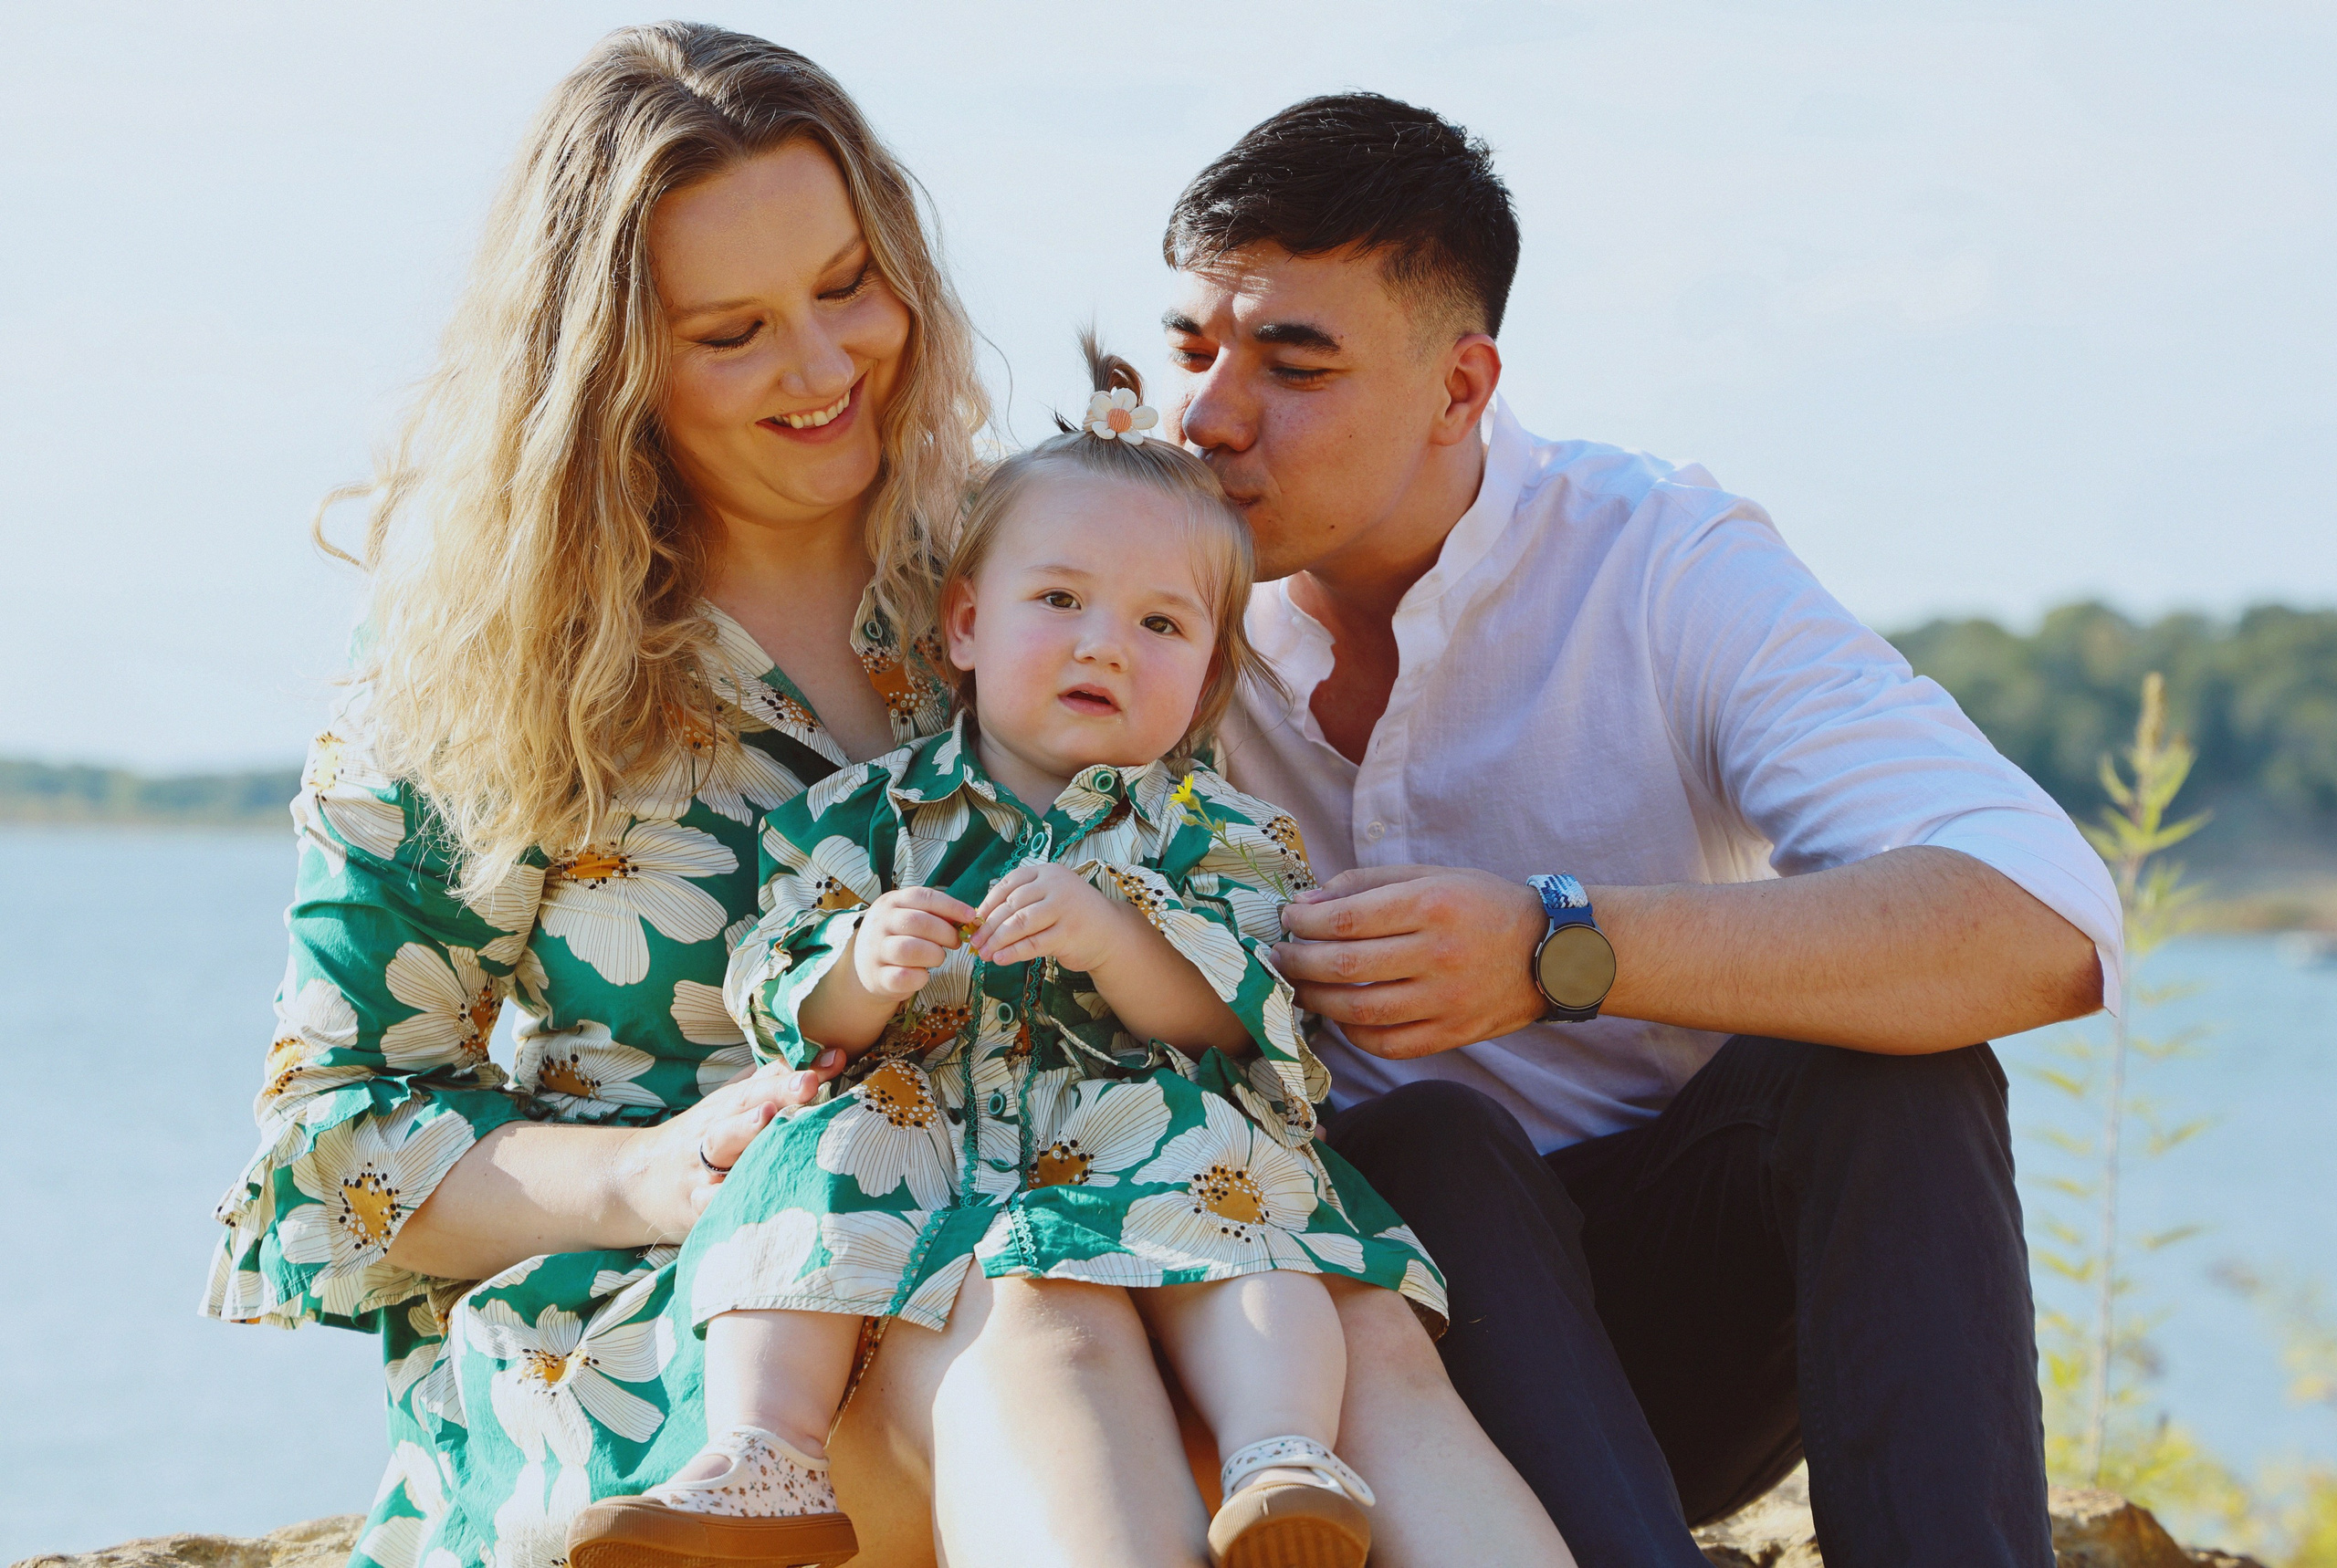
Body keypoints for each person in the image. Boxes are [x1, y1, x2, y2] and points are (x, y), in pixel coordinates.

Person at [203, 26, 1565, 1568]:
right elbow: (333, 1146)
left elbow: (1199, 880)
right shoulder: (474, 660)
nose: (825, 365)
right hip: (722, 1324)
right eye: (734, 332)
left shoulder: (1031, 557)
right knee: (1028, 1309)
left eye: (849, 283)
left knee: (1341, 1314)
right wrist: (643, 1173)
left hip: (1086, 1185)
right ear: (609, 364)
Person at [1159, 94, 2123, 1568]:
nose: (1211, 415)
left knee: (1884, 1080)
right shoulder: (1113, 591)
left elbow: (2041, 922)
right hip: (1355, 1361)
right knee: (1420, 1135)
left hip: (1688, 1327)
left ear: (1460, 386)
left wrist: (1561, 945)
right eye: (1190, 350)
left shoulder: (1658, 561)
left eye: (1294, 364)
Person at [566, 343, 1446, 1568]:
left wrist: (1113, 936)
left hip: (1140, 1122)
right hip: (920, 1128)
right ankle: (764, 1451)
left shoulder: (1223, 830)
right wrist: (860, 966)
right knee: (801, 1164)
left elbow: (1241, 1008)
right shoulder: (865, 816)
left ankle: (1281, 1451)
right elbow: (776, 985)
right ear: (969, 624)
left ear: (1201, 683)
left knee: (1251, 1220)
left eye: (1159, 622)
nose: (1104, 646)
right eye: (1060, 601)